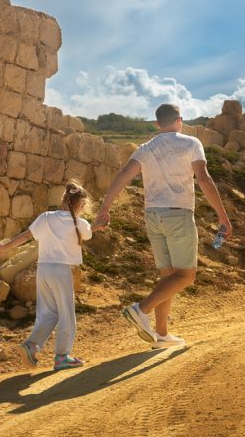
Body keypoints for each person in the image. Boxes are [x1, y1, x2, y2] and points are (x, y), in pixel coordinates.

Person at [94, 103, 233, 348]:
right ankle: (141, 310)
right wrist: (222, 215)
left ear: (157, 124)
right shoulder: (192, 143)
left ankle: (161, 334)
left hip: (152, 216)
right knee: (186, 276)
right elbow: (203, 179)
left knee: (168, 276)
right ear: (180, 120)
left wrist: (104, 208)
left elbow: (123, 176)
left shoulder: (146, 148)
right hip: (177, 214)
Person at [0, 181, 101, 371]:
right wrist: (98, 226)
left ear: (64, 199)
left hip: (43, 270)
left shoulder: (45, 217)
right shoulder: (80, 223)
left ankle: (31, 345)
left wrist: (5, 247)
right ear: (81, 204)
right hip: (61, 272)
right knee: (66, 314)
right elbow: (87, 234)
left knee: (49, 313)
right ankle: (62, 356)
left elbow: (26, 236)